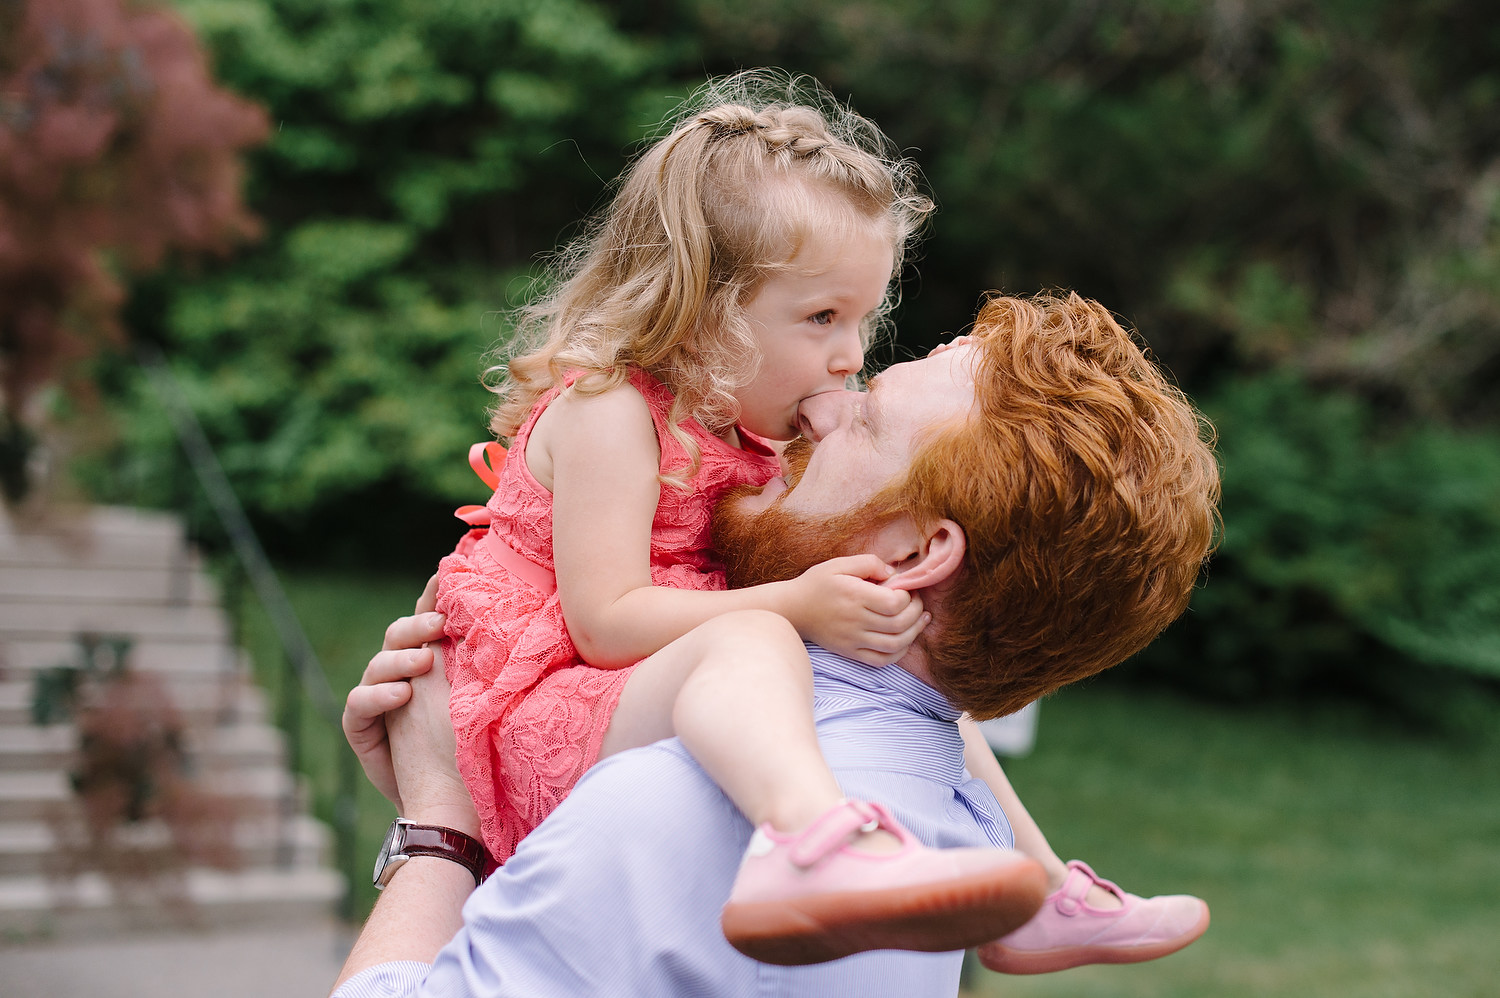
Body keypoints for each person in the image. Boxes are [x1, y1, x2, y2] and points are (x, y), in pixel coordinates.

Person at [333, 292, 1222, 998]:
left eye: (868, 419)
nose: (825, 405)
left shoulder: (679, 803)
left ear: (913, 555)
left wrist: (439, 825)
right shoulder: (943, 815)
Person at [432, 71, 1040, 965]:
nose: (850, 355)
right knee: (757, 643)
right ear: (701, 305)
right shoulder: (613, 412)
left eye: (862, 319)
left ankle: (1040, 892)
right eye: (822, 317)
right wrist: (793, 604)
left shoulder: (736, 427)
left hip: (632, 688)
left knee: (915, 678)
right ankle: (811, 847)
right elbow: (606, 624)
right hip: (541, 704)